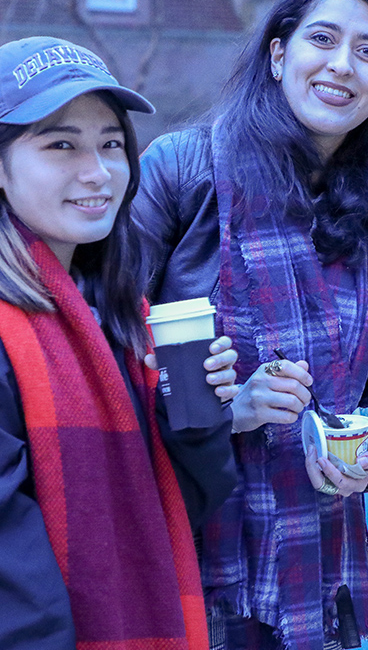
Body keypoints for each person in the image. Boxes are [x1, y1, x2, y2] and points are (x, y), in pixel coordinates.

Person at [132, 0, 368, 650]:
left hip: (319, 573)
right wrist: (224, 411)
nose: (341, 66)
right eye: (322, 39)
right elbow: (103, 354)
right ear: (278, 53)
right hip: (194, 551)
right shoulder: (184, 171)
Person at [0, 36, 239, 650]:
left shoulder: (119, 315)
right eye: (61, 145)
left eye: (111, 144)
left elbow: (180, 515)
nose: (97, 171)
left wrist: (196, 419)